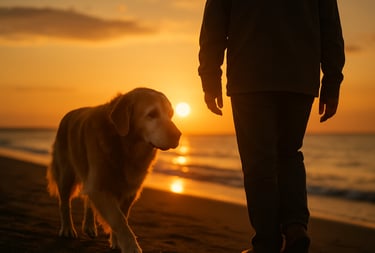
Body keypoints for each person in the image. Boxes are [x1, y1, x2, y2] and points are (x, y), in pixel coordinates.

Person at [198, 1, 345, 253]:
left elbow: (214, 26)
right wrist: (331, 83)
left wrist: (210, 78)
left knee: (258, 164)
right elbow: (330, 27)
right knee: (289, 154)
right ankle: (295, 227)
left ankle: (267, 243)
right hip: (298, 77)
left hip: (250, 76)